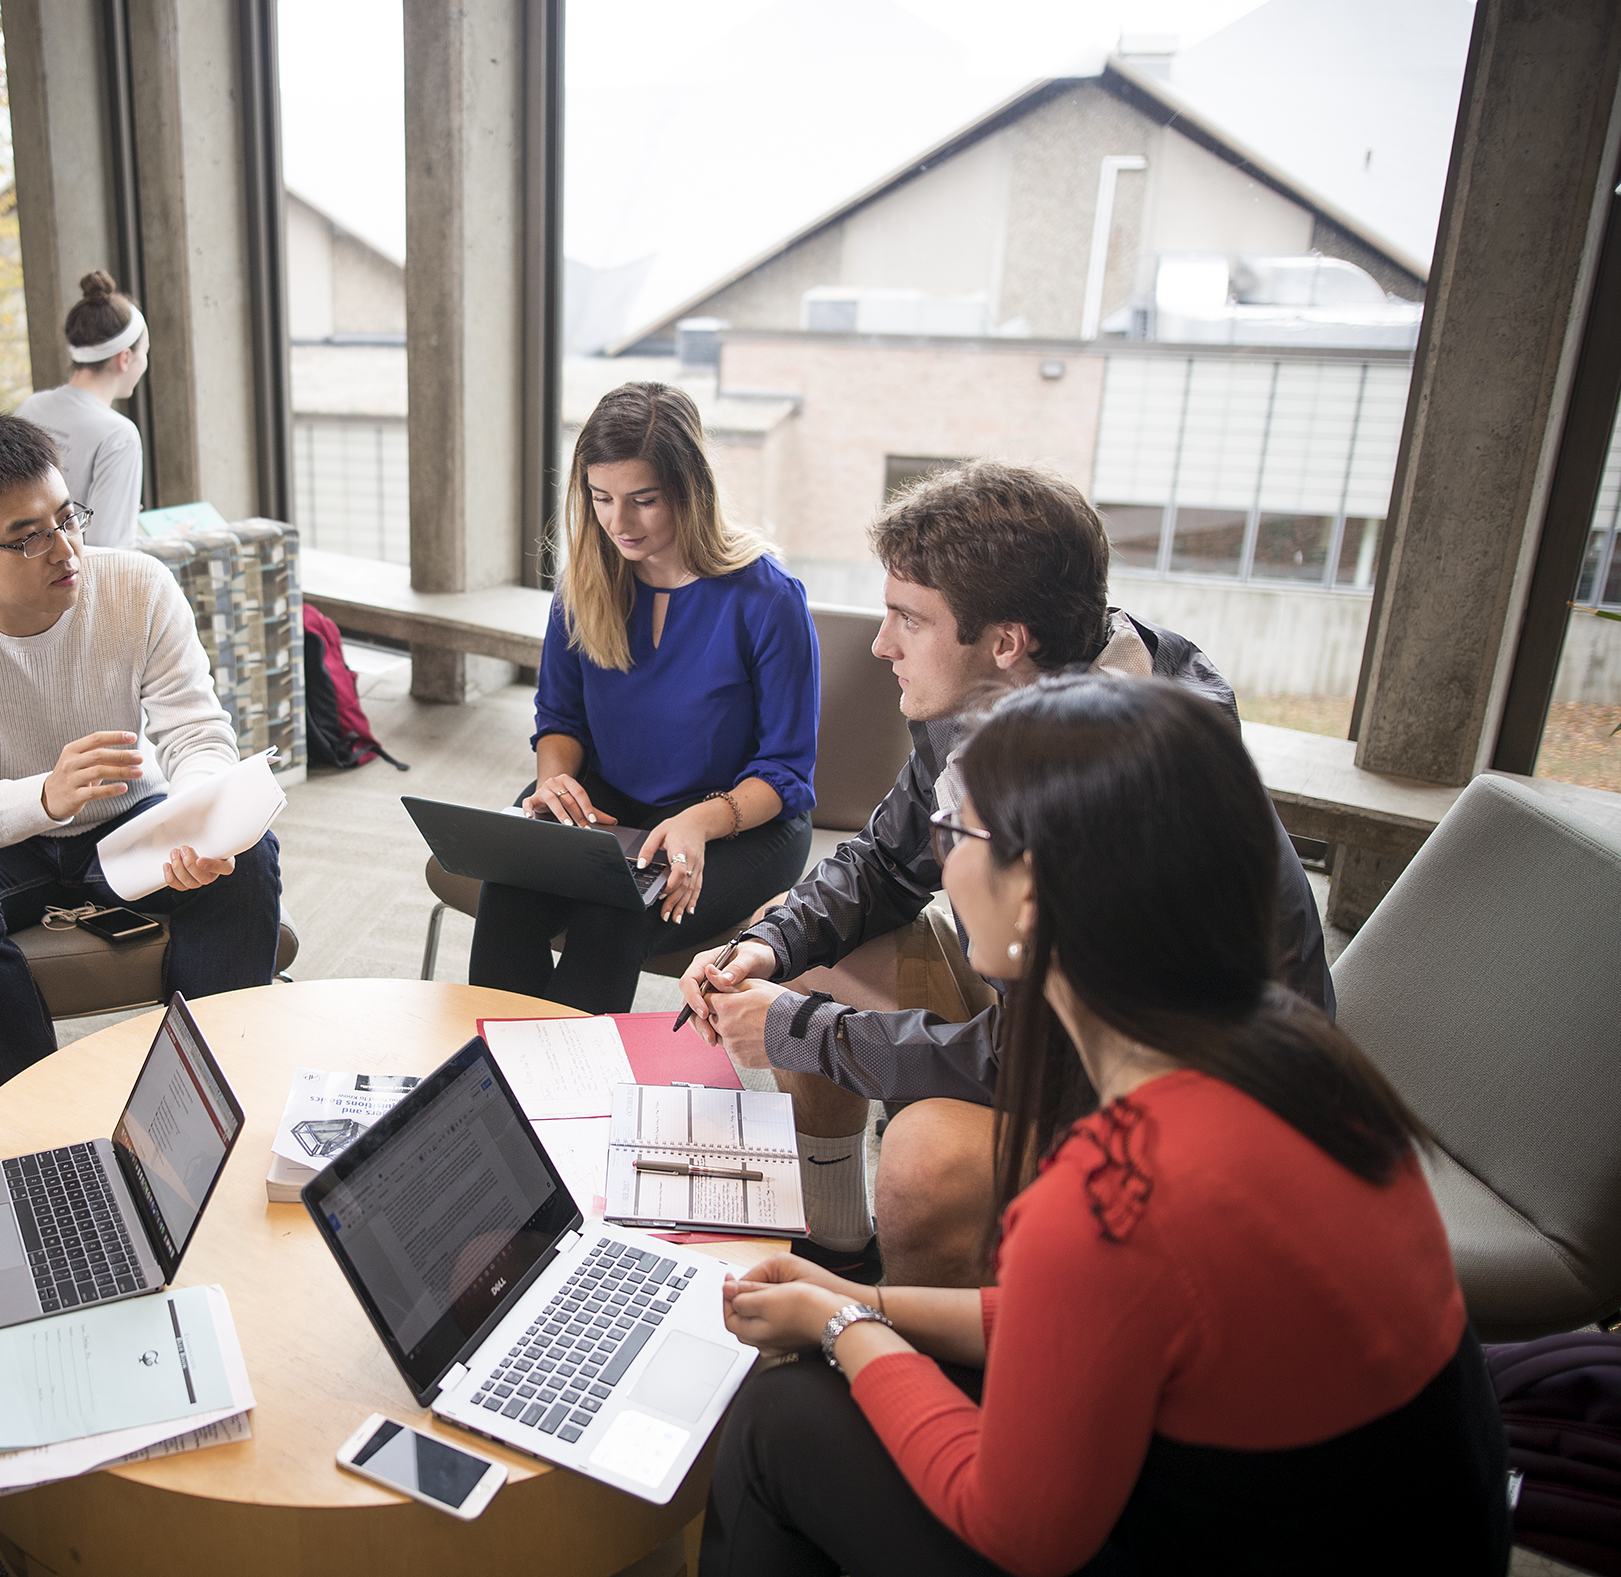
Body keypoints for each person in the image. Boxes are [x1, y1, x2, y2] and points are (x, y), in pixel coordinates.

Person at [699, 673, 1509, 1575]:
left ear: (1035, 893)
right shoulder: (1295, 1059)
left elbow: (1022, 1535)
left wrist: (848, 1332)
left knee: (784, 1419)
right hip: (1387, 1525)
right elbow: (1092, 1317)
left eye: (954, 832)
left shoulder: (1107, 1191)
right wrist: (862, 1302)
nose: (939, 855)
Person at [680, 459, 1332, 1286]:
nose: (880, 645)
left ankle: (923, 1353)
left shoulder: (1132, 790)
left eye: (906, 620)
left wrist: (797, 1030)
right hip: (1054, 1022)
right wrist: (771, 947)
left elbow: (1049, 1057)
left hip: (1181, 1119)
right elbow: (885, 863)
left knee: (925, 1160)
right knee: (805, 945)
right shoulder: (990, 695)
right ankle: (839, 1244)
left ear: (1005, 641)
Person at [0, 409, 282, 1112]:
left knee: (246, 857)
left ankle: (207, 1101)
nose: (65, 550)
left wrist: (202, 817)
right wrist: (46, 797)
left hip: (129, 827)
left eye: (67, 518)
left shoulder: (138, 586)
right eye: (27, 538)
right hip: (2, 845)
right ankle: (30, 1123)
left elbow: (195, 733)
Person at [468, 381, 819, 1016]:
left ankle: (573, 1094)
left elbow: (787, 773)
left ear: (691, 490)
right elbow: (560, 717)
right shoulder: (585, 582)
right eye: (601, 498)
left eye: (643, 500)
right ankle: (486, 1083)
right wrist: (554, 781)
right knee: (510, 884)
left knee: (613, 905)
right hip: (615, 800)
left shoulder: (767, 599)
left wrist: (697, 823)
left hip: (741, 820)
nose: (618, 523)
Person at [16, 269, 148, 549]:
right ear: (125, 358)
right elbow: (109, 550)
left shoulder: (32, 405)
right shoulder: (118, 435)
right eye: (144, 353)